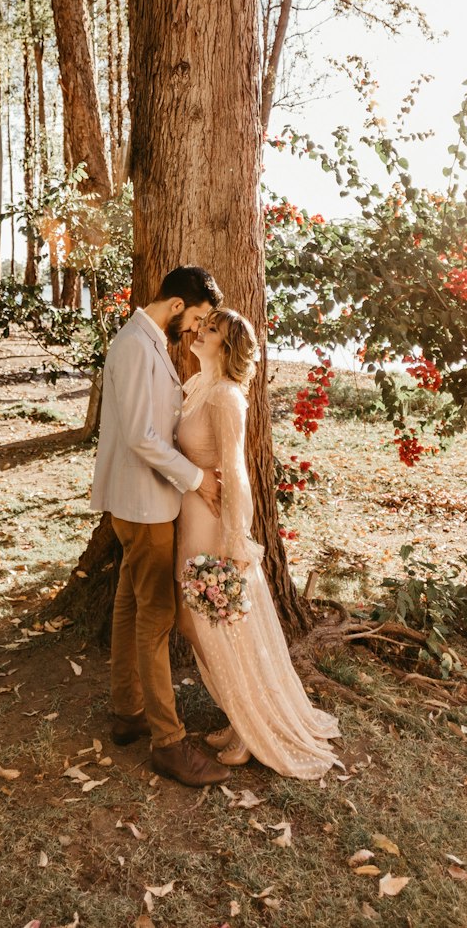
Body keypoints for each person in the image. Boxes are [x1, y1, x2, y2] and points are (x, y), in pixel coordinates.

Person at [176, 307, 340, 778]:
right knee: (196, 626)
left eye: (212, 331)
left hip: (213, 527)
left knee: (224, 629)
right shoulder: (197, 387)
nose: (201, 332)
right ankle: (238, 714)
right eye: (204, 326)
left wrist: (234, 537)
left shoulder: (227, 397)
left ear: (227, 350)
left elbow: (237, 469)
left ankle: (251, 727)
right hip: (188, 520)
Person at [90, 265, 231, 787]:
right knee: (158, 616)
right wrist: (196, 477)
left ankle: (127, 713)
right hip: (145, 504)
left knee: (130, 602)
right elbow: (143, 438)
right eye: (194, 318)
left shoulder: (147, 341)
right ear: (177, 306)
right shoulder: (133, 346)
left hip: (143, 501)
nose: (194, 330)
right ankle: (168, 743)